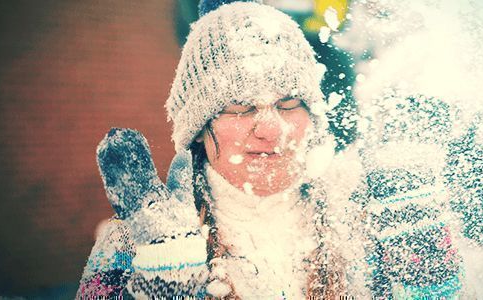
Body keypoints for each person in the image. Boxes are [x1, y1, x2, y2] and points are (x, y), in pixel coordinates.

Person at [76, 0, 462, 298]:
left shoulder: (366, 215)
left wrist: (427, 265)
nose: (272, 129)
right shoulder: (137, 240)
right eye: (242, 108)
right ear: (197, 128)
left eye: (290, 104)